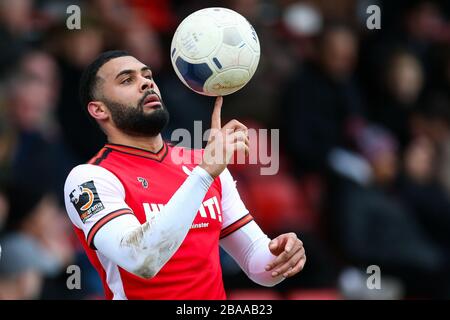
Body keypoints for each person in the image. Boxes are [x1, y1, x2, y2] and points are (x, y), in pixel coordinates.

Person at [63, 50, 306, 300]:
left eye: (147, 75)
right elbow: (140, 259)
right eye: (127, 80)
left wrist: (281, 257)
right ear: (99, 110)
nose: (146, 82)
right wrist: (205, 174)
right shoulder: (89, 179)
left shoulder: (203, 164)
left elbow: (258, 265)